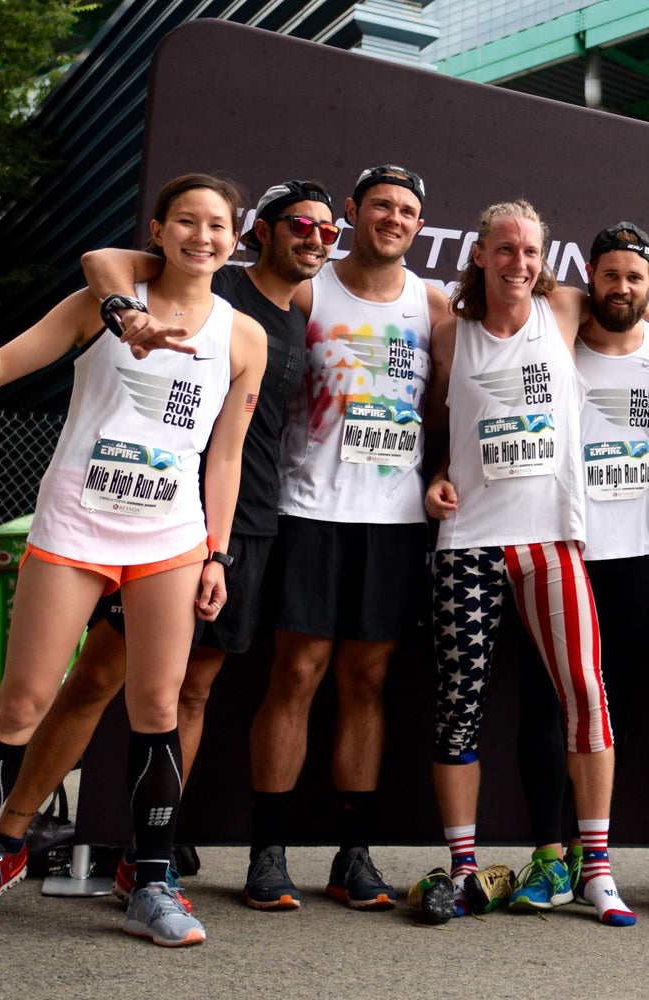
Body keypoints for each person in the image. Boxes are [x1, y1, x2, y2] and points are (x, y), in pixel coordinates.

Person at [0, 180, 336, 923]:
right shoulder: (185, 278)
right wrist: (126, 311)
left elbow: (230, 452)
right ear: (255, 233)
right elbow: (100, 259)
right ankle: (4, 840)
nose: (315, 238)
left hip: (223, 533)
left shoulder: (283, 321)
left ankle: (147, 868)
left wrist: (218, 553)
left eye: (328, 230)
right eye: (298, 224)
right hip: (114, 525)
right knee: (83, 684)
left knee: (178, 696)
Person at [0, 173, 265, 951]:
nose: (202, 237)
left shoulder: (244, 336)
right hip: (76, 524)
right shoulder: (99, 304)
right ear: (160, 230)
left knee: (158, 708)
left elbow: (225, 458)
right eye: (187, 222)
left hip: (171, 537)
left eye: (217, 226)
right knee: (22, 702)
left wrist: (218, 554)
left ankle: (156, 884)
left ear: (235, 241)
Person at [425, 200, 635, 927]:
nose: (520, 262)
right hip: (469, 547)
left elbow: (642, 314)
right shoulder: (451, 335)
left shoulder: (567, 309)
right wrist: (434, 475)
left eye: (532, 251)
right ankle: (463, 870)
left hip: (551, 543)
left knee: (586, 694)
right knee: (460, 709)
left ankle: (597, 870)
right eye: (506, 249)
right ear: (480, 254)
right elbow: (435, 426)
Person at [244, 165, 448, 911]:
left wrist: (443, 473)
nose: (394, 218)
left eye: (409, 210)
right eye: (382, 206)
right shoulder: (309, 287)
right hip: (308, 507)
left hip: (393, 521)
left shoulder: (433, 304)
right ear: (353, 213)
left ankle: (352, 857)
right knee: (296, 675)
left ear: (419, 227)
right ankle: (268, 854)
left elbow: (455, 402)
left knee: (366, 683)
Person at [511, 223, 649, 906]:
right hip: (560, 547)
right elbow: (565, 297)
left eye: (635, 277)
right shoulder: (556, 331)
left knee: (607, 704)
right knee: (541, 703)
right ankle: (547, 854)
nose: (622, 288)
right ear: (589, 276)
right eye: (609, 276)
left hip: (640, 554)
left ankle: (592, 855)